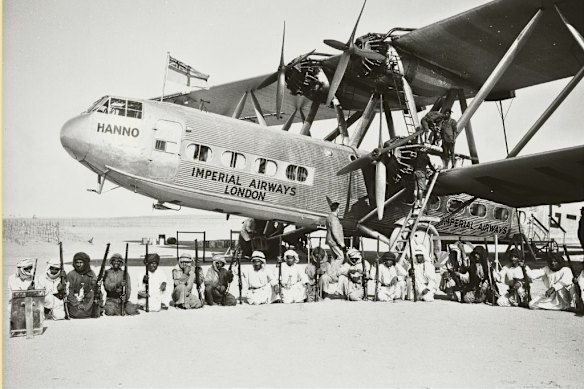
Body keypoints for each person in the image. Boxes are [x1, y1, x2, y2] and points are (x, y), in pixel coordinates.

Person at [67, 252, 98, 318]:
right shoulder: (71, 274)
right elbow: (69, 292)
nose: (78, 265)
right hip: (74, 302)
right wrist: (76, 304)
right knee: (78, 313)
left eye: (81, 262)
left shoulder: (91, 274)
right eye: (77, 263)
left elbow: (94, 290)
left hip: (88, 302)